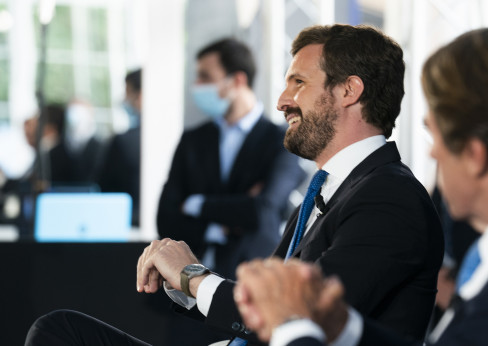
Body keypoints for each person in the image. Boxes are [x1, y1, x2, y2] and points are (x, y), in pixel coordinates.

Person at [25, 24, 444, 345]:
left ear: (350, 90)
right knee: (60, 329)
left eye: (298, 82)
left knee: (59, 332)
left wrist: (192, 276)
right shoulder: (334, 189)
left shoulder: (388, 197)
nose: (281, 100)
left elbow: (297, 318)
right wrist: (186, 284)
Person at [231, 26, 488, 346]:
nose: (432, 157)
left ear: (477, 153)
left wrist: (291, 325)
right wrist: (343, 328)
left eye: (437, 137)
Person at [157, 38, 305, 280]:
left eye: (205, 77)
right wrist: (222, 222)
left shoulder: (282, 141)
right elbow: (166, 217)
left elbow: (262, 210)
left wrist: (196, 204)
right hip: (185, 286)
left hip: (255, 282)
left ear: (237, 80)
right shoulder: (193, 140)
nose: (197, 85)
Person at [98, 69, 143, 226]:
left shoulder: (123, 142)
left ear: (141, 96)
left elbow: (104, 187)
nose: (124, 99)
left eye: (127, 92)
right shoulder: (180, 137)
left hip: (128, 224)